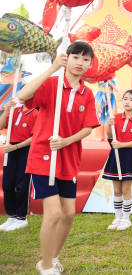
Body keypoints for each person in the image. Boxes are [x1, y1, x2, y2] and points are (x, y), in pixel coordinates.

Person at [16, 41, 99, 275]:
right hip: (44, 156)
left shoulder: (87, 93)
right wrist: (52, 68)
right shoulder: (52, 84)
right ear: (67, 58)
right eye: (76, 57)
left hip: (68, 157)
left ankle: (53, 256)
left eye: (85, 59)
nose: (80, 63)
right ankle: (46, 266)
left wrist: (66, 141)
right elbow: (23, 95)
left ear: (90, 64)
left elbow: (88, 128)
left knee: (69, 214)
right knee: (53, 213)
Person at [102, 89, 132, 231]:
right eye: (125, 98)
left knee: (126, 188)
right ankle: (117, 217)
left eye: (131, 99)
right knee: (116, 190)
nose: (127, 102)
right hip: (115, 155)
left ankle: (126, 219)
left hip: (130, 156)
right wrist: (109, 125)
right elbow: (110, 136)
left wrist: (122, 145)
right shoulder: (115, 117)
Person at [0, 99, 38, 232]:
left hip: (25, 150)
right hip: (11, 149)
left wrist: (15, 146)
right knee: (7, 184)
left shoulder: (35, 113)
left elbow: (35, 137)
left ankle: (21, 217)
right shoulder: (14, 110)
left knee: (22, 184)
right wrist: (6, 110)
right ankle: (12, 215)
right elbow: (0, 126)